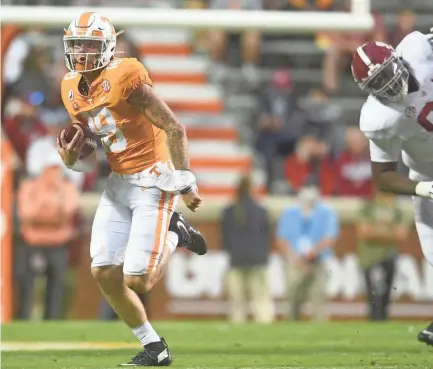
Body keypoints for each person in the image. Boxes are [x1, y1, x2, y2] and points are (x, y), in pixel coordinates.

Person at [56, 12, 206, 366]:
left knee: (138, 280)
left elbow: (174, 127)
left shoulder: (125, 76)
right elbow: (96, 140)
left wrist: (185, 181)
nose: (81, 52)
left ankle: (175, 233)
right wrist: (71, 156)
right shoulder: (68, 88)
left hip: (153, 180)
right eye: (76, 44)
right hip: (118, 182)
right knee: (104, 271)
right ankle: (156, 348)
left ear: (108, 47)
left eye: (90, 44)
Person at [351, 28, 433, 346]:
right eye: (376, 84)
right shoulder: (378, 117)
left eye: (386, 75)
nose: (386, 85)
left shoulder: (419, 49)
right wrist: (424, 188)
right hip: (427, 173)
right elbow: (383, 175)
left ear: (398, 59)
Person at [276, 186, 338, 321]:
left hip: (319, 260)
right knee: (292, 299)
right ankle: (291, 328)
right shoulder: (289, 213)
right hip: (294, 261)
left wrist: (313, 253)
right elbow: (282, 240)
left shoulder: (326, 212)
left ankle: (320, 330)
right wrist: (298, 260)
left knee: (318, 298)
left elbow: (329, 239)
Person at [221, 175, 274, 323]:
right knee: (261, 300)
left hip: (237, 259)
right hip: (257, 259)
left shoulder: (229, 211)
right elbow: (267, 236)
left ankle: (237, 331)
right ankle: (265, 328)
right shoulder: (261, 211)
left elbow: (224, 239)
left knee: (237, 303)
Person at [356, 191, 409, 321]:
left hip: (389, 257)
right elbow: (364, 232)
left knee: (386, 295)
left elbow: (402, 234)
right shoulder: (368, 207)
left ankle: (382, 320)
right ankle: (375, 320)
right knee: (375, 295)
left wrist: (376, 231)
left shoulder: (396, 210)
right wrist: (389, 233)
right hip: (371, 258)